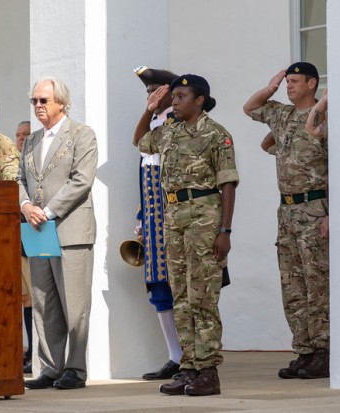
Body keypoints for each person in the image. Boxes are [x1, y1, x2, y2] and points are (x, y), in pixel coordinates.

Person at [133, 74, 239, 396]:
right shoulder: (168, 132)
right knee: (181, 297)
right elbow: (139, 140)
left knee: (202, 297)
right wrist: (148, 110)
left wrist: (225, 230)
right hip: (173, 219)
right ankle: (188, 368)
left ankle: (208, 371)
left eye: (181, 97)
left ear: (199, 101)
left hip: (204, 217)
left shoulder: (216, 135)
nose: (174, 102)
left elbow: (228, 184)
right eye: (173, 96)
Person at [243, 62, 329, 379]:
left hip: (314, 208)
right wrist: (270, 88)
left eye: (294, 81)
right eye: (287, 81)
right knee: (292, 284)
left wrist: (331, 213)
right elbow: (249, 107)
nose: (289, 85)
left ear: (311, 83)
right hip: (287, 211)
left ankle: (324, 352)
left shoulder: (324, 117)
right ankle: (304, 351)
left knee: (316, 282)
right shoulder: (280, 114)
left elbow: (337, 165)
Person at [18, 77, 98, 390]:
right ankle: (50, 367)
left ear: (61, 103)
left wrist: (47, 211)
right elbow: (18, 179)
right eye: (35, 101)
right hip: (37, 229)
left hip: (69, 228)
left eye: (44, 101)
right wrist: (25, 205)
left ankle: (75, 369)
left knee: (74, 303)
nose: (38, 106)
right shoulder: (31, 140)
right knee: (43, 301)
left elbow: (81, 181)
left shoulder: (81, 134)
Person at [132, 66, 182, 381]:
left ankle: (194, 356)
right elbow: (144, 171)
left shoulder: (179, 125)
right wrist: (141, 217)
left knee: (185, 288)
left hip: (178, 220)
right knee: (159, 288)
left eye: (155, 90)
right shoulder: (152, 125)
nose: (151, 96)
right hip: (152, 220)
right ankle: (174, 356)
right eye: (148, 92)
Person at [15, 120, 34, 375]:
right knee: (20, 297)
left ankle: (32, 351)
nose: (21, 138)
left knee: (31, 297)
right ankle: (22, 350)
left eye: (26, 135)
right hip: (10, 237)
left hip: (30, 232)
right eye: (18, 135)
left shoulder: (33, 162)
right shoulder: (13, 160)